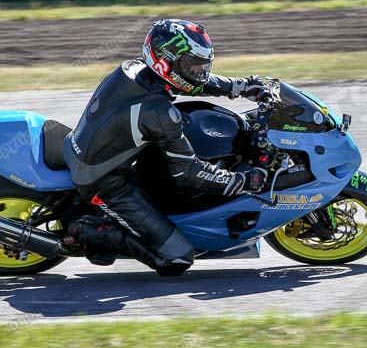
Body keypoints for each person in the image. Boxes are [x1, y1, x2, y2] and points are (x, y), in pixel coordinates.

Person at [63, 19, 268, 276]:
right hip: (105, 182)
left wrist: (239, 86)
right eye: (193, 65)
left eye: (202, 66)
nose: (199, 72)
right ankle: (89, 231)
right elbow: (188, 171)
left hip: (89, 147)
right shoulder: (158, 112)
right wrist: (242, 181)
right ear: (165, 60)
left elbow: (188, 80)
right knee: (176, 256)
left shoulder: (136, 69)